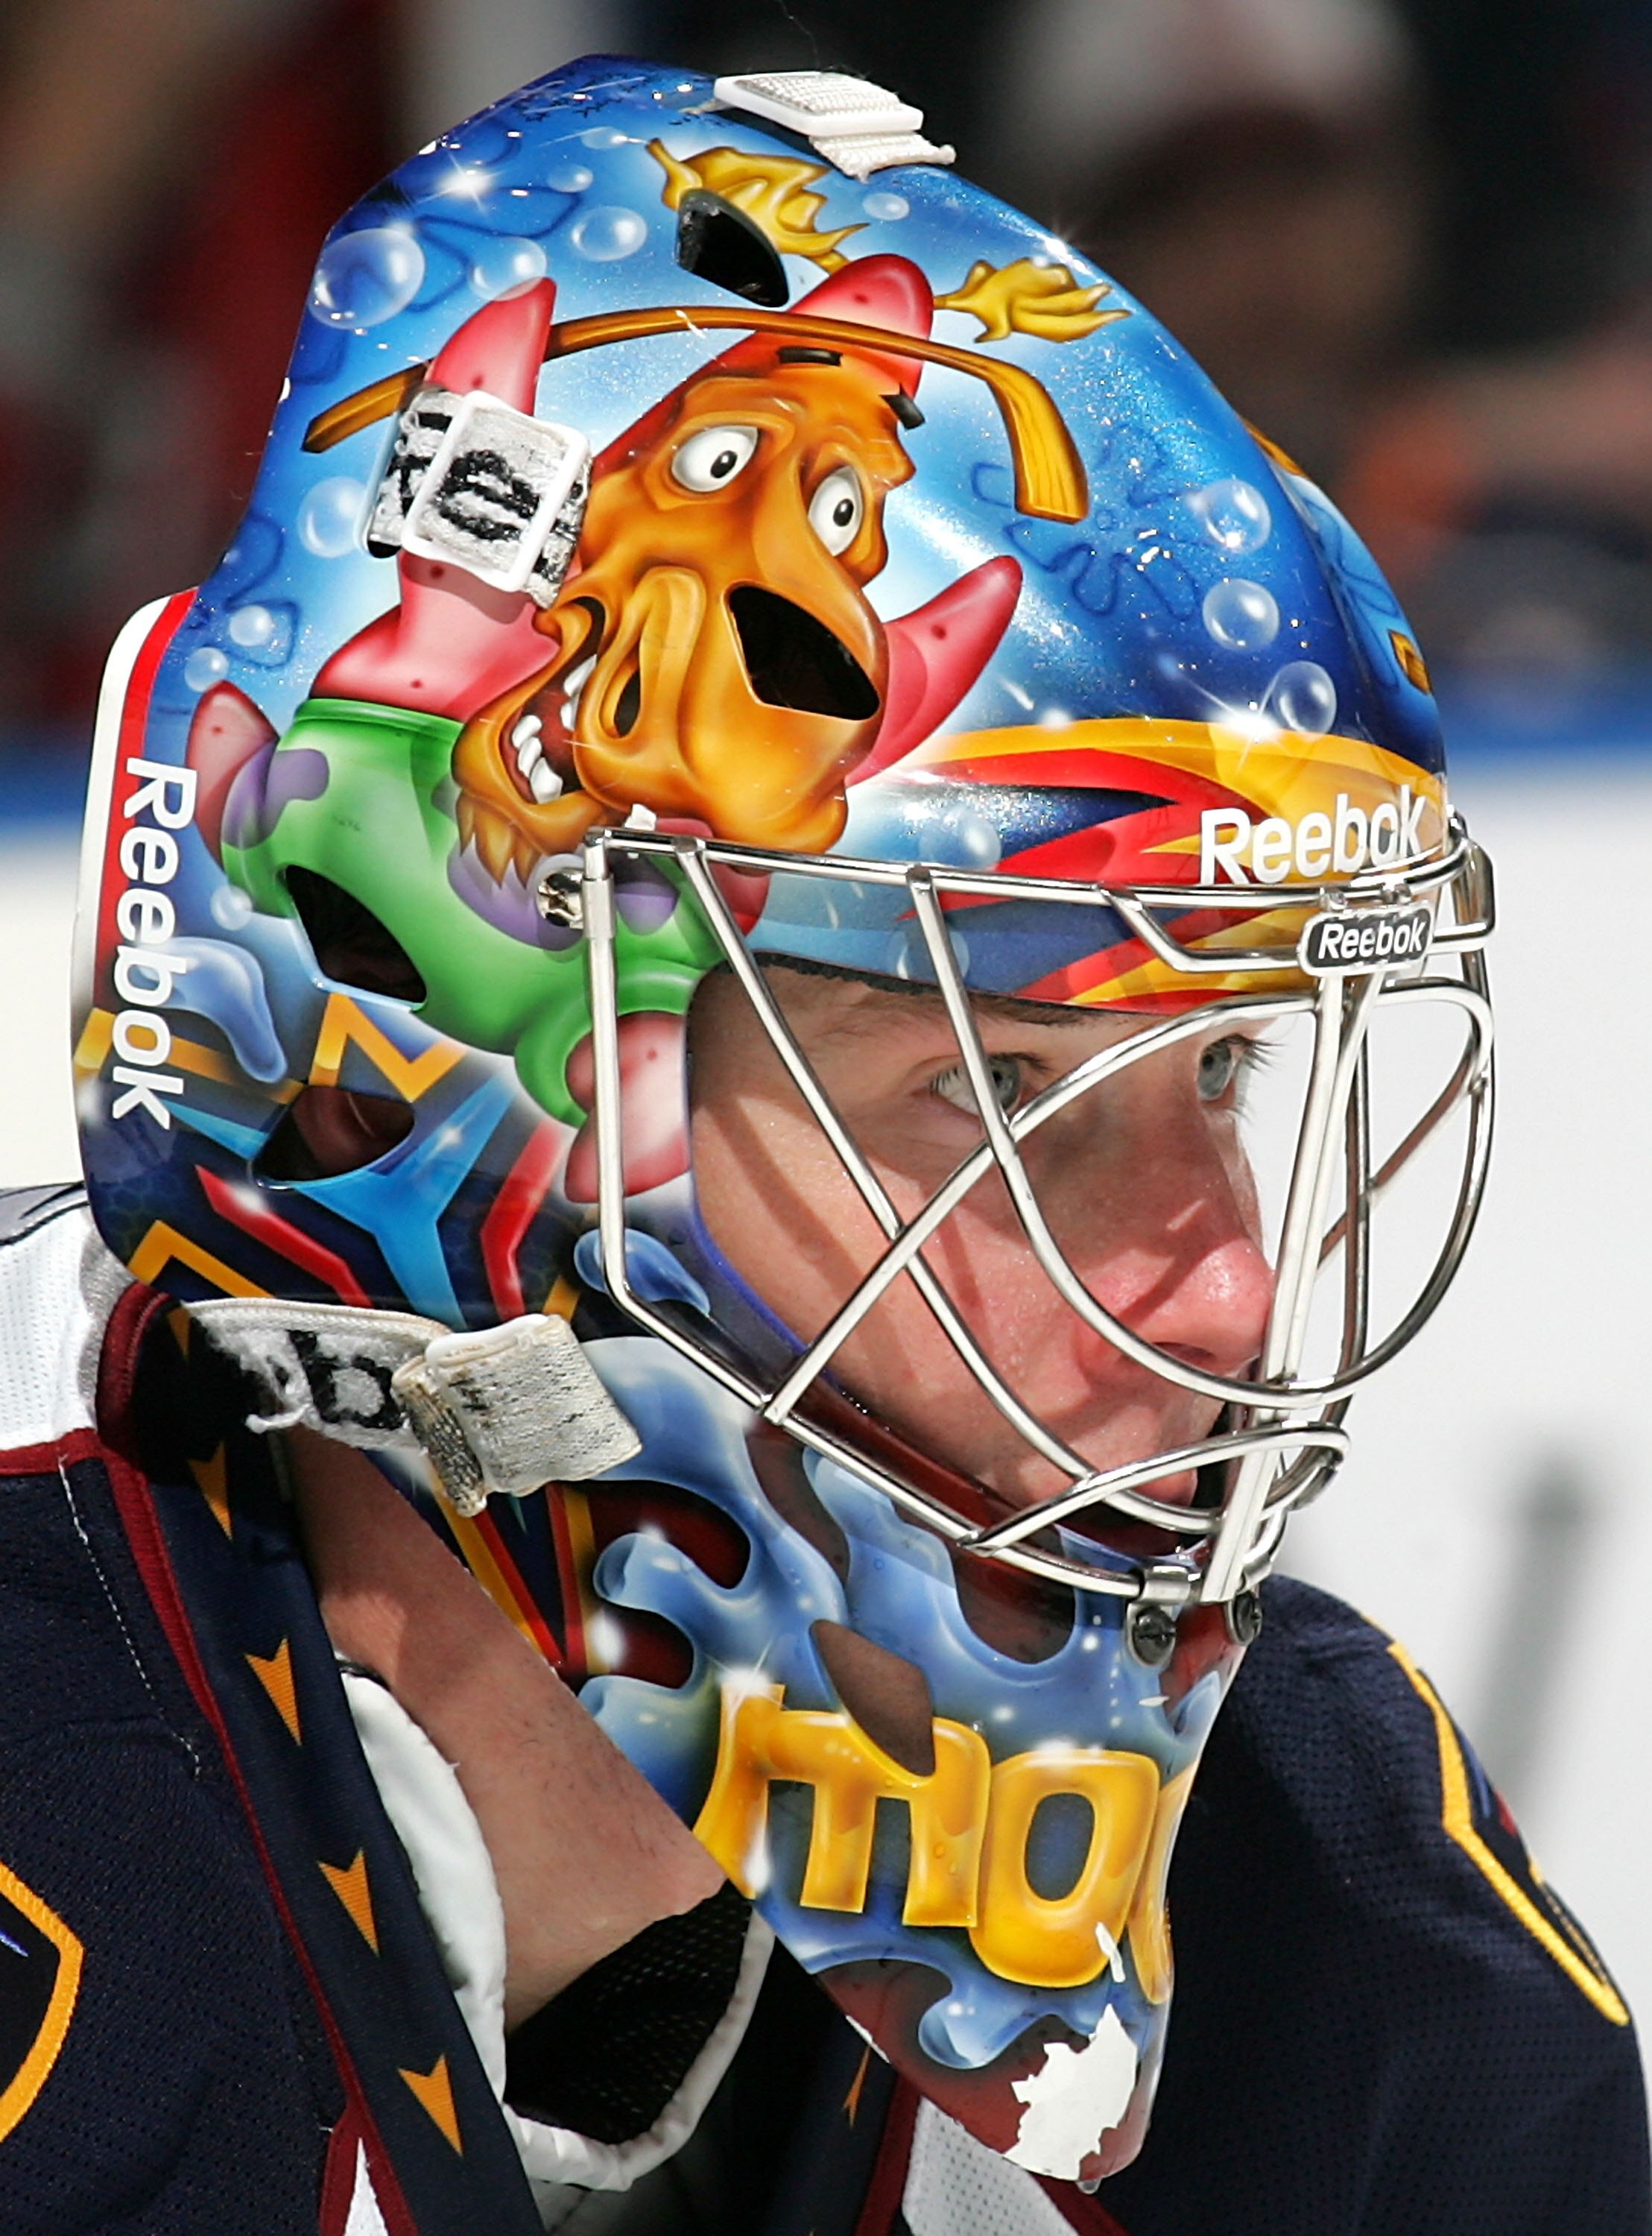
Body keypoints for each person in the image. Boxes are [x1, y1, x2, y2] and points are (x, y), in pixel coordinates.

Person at [0, 53, 1645, 2236]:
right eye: (994, 1093)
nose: (1229, 1282)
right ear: (469, 1062)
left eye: (1218, 1081)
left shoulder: (1326, 1932)